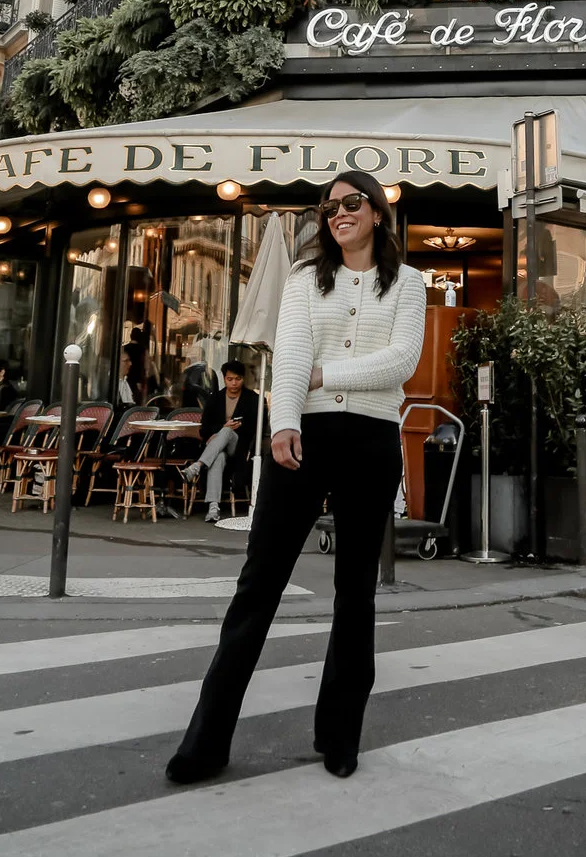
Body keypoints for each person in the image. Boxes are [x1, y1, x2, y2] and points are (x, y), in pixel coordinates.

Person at [166, 170, 425, 788]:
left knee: (355, 591)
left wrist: (324, 374)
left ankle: (339, 735)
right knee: (258, 586)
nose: (338, 214)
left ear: (378, 213)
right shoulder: (307, 279)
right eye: (329, 206)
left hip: (370, 440)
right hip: (302, 438)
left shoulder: (409, 283)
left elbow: (403, 362)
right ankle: (206, 741)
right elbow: (290, 357)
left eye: (351, 203)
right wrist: (283, 423)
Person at [182, 360, 259, 524]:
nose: (234, 383)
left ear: (243, 379)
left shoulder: (252, 399)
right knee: (218, 458)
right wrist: (221, 428)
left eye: (237, 379)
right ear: (224, 379)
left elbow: (256, 427)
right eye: (230, 379)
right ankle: (213, 508)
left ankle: (197, 466)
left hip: (238, 446)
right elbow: (204, 428)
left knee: (227, 431)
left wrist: (231, 428)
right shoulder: (215, 398)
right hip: (217, 449)